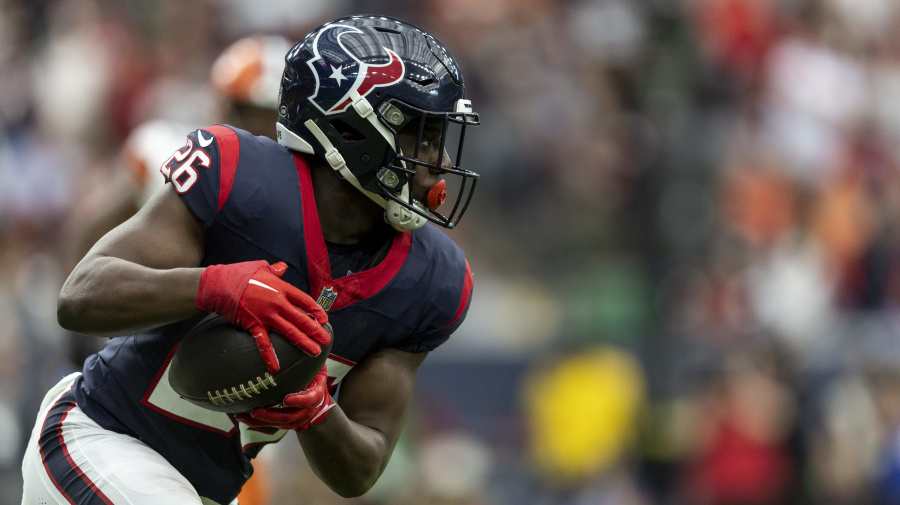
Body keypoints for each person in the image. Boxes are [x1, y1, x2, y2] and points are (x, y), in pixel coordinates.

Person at [21, 14, 480, 505]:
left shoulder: (433, 281)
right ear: (352, 130)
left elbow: (361, 468)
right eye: (425, 138)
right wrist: (217, 287)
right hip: (102, 434)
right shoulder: (239, 174)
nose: (442, 163)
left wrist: (316, 411)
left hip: (208, 487)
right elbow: (79, 295)